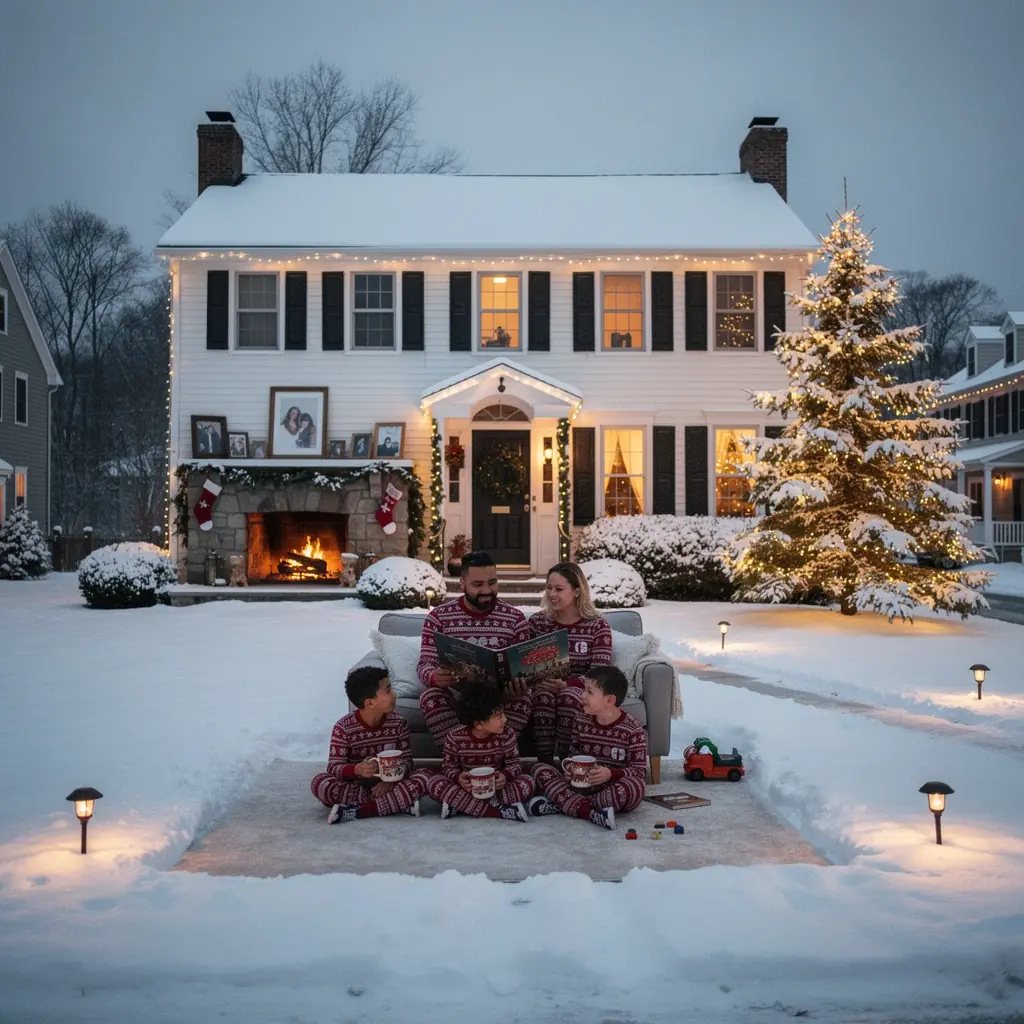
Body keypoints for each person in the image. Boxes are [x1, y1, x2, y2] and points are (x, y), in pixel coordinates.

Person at [417, 550, 531, 748]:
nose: (487, 590)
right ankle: (457, 755)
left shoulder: (515, 619)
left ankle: (497, 755)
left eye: (492, 582)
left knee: (525, 698)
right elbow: (424, 664)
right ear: (462, 583)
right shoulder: (438, 618)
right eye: (478, 585)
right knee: (430, 696)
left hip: (499, 698)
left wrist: (520, 684)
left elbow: (523, 666)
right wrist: (435, 676)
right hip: (458, 695)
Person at [310, 665, 433, 823]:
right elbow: (334, 768)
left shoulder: (398, 723)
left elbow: (408, 762)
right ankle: (396, 803)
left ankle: (362, 810)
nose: (395, 694)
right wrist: (357, 769)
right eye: (388, 691)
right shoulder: (343, 728)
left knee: (425, 776)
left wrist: (391, 782)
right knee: (320, 782)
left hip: (391, 784)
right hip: (356, 787)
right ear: (370, 703)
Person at [529, 666, 646, 830]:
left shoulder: (633, 728)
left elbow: (639, 771)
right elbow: (573, 755)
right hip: (579, 787)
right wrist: (570, 769)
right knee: (539, 769)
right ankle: (590, 812)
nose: (582, 695)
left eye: (589, 692)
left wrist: (609, 774)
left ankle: (563, 804)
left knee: (636, 786)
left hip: (609, 789)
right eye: (584, 690)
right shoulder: (581, 719)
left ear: (609, 700)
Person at [528, 562, 613, 761]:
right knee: (543, 696)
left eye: (558, 589)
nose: (551, 594)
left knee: (569, 696)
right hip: (541, 686)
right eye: (549, 588)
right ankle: (545, 763)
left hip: (580, 687)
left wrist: (566, 685)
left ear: (576, 591)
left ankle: (570, 763)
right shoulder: (537, 623)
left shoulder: (597, 625)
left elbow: (600, 674)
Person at [424, 686, 533, 821]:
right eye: (498, 717)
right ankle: (496, 811)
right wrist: (459, 778)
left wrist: (505, 776)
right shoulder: (454, 737)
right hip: (468, 789)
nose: (505, 720)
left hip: (494, 790)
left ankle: (461, 805)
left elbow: (515, 766)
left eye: (503, 714)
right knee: (434, 783)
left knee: (527, 782)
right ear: (479, 724)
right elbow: (448, 768)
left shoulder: (507, 734)